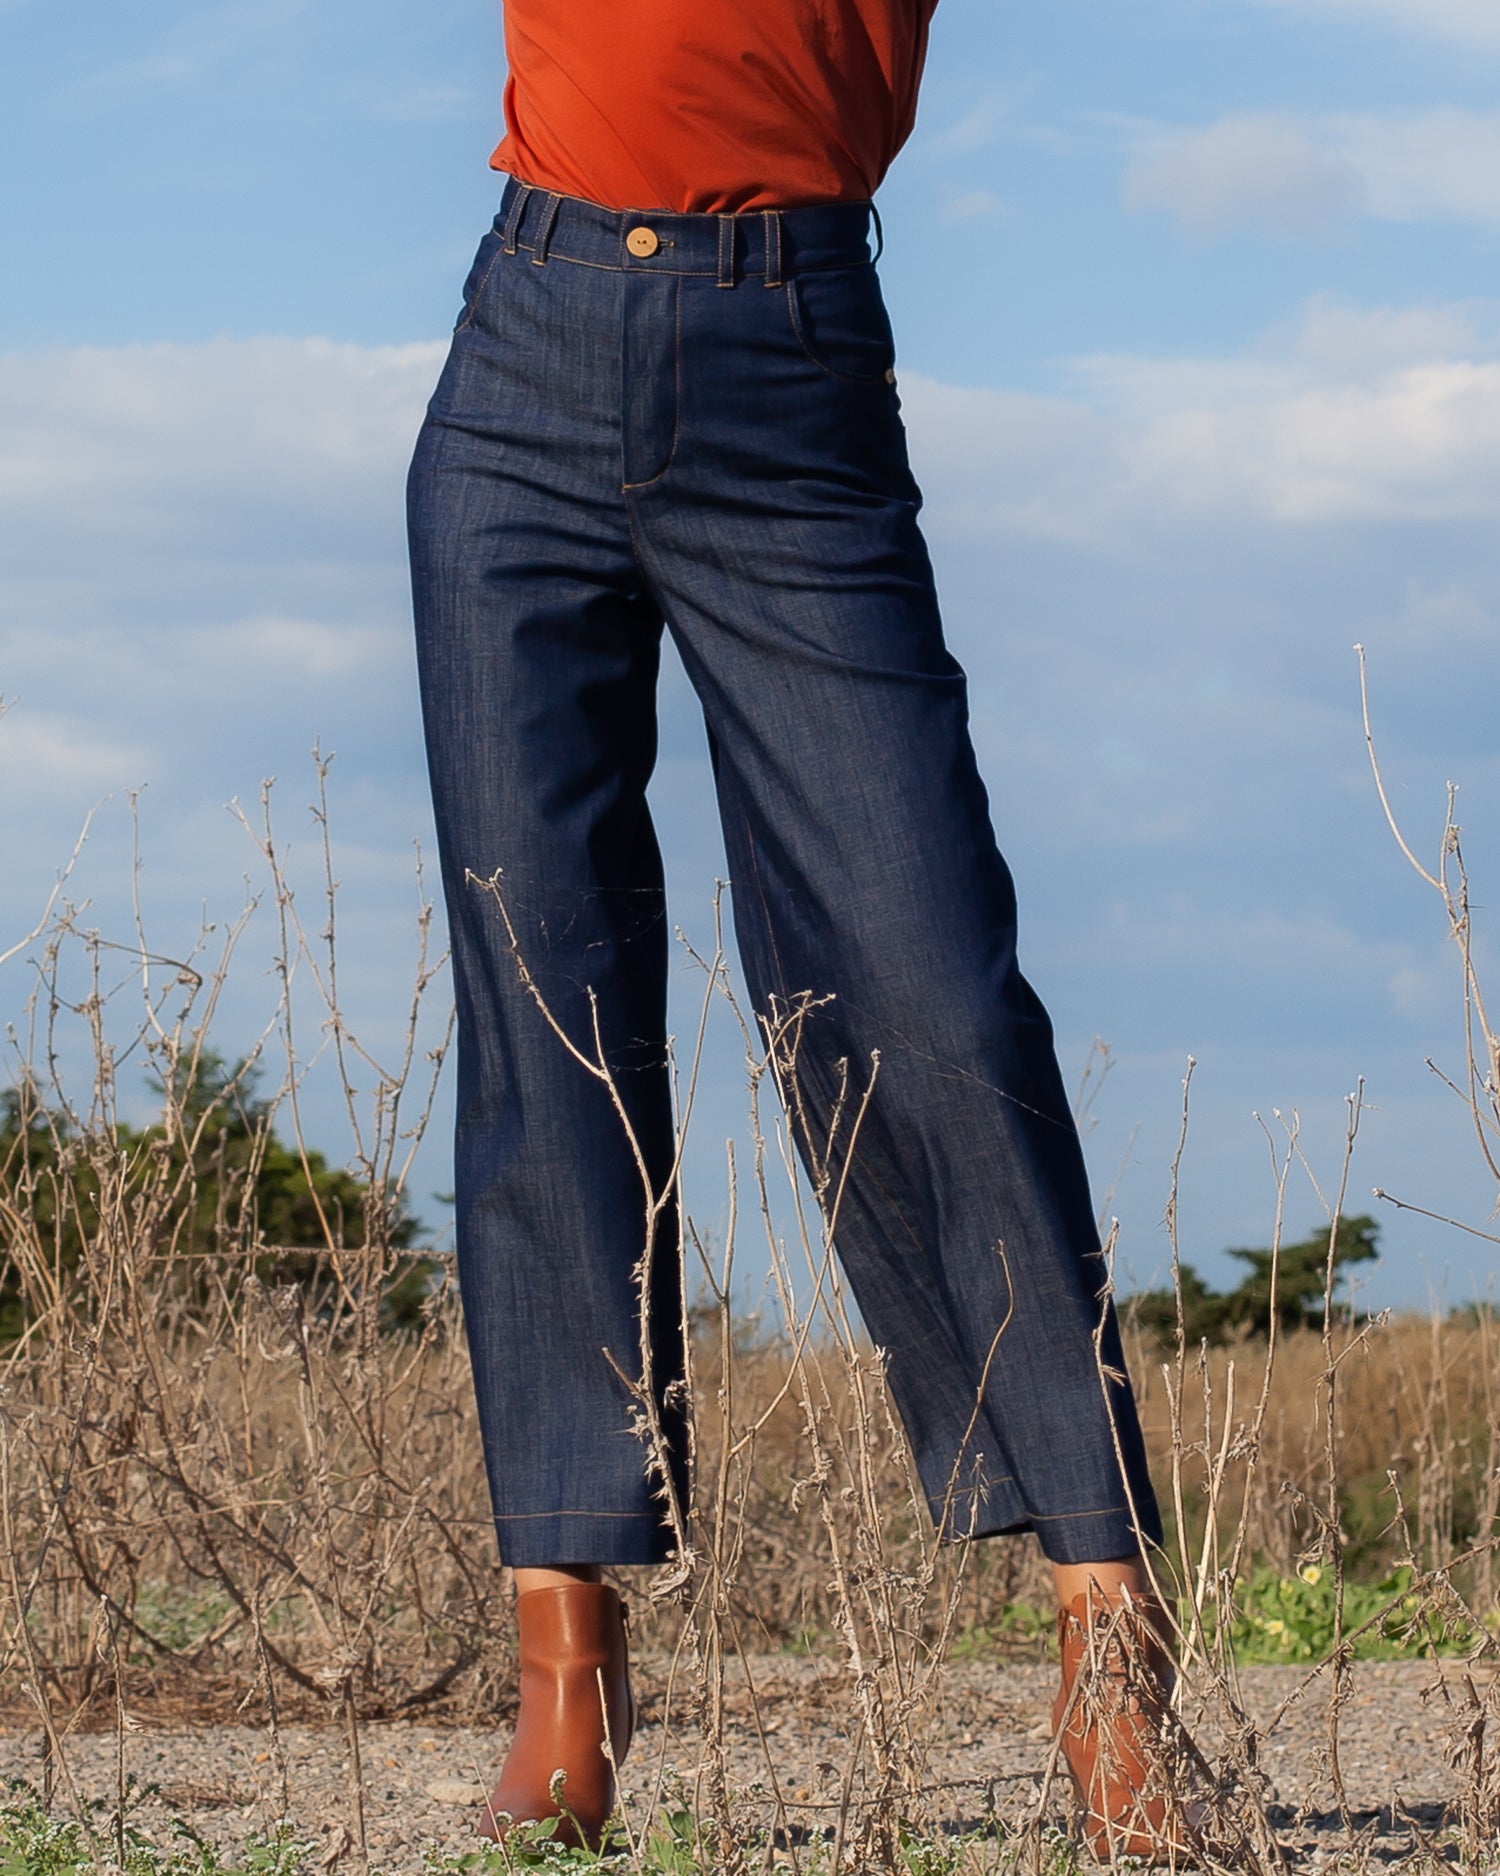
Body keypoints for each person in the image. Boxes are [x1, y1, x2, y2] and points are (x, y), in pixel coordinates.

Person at [407, 0, 1189, 1860]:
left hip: (791, 362)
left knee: (935, 991)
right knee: (543, 1002)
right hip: (522, 347)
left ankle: (1111, 1636)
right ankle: (565, 1663)